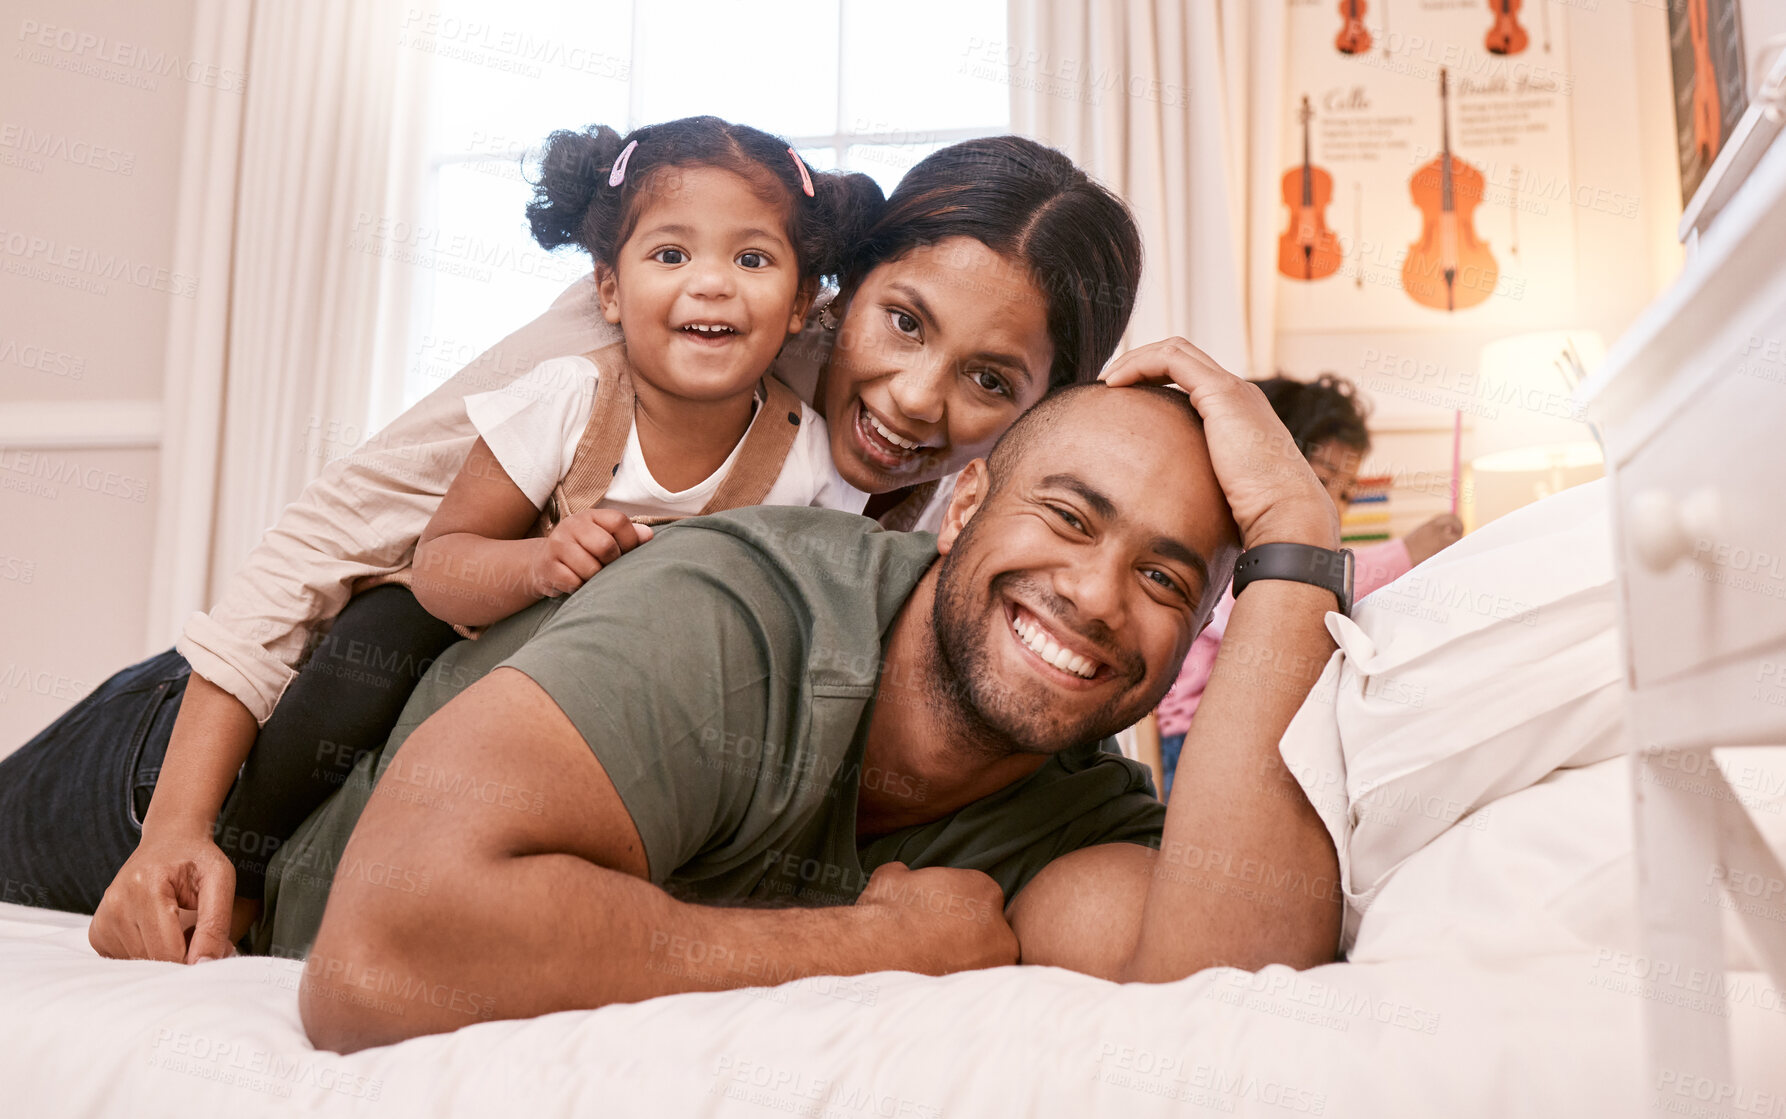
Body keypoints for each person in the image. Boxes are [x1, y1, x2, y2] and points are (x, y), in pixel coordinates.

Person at [0, 133, 1144, 967]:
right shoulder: (634, 344)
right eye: (902, 321)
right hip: (223, 744)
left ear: (1046, 410)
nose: (916, 400)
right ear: (835, 289)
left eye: (991, 383)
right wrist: (182, 829)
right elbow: (322, 555)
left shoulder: (949, 526)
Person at [270, 358, 1343, 1053]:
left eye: (1164, 581)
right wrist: (874, 945)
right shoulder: (739, 608)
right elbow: (377, 965)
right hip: (145, 787)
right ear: (962, 506)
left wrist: (1298, 533)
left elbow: (1229, 1011)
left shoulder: (1074, 820)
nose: (1098, 599)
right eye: (1067, 518)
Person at [210, 117, 885, 908]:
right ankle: (245, 863)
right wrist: (538, 563)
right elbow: (441, 561)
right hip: (494, 632)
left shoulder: (807, 459)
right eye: (672, 254)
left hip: (653, 687)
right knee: (376, 641)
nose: (713, 282)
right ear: (608, 287)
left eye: (753, 258)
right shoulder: (569, 397)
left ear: (802, 299)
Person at [1152, 373, 1464, 796]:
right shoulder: (1228, 549)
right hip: (1194, 743)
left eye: (1347, 493)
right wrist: (1404, 554)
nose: (1331, 506)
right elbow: (1276, 599)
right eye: (1320, 481)